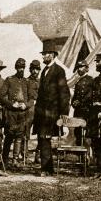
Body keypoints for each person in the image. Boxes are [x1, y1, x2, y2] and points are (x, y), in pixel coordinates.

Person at [33, 44, 70, 176]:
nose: (43, 56)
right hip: (42, 114)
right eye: (42, 54)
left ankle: (46, 169)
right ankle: (47, 168)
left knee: (45, 139)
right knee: (42, 139)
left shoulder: (59, 70)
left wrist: (63, 116)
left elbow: (64, 94)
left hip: (52, 114)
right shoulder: (44, 71)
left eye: (45, 54)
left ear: (52, 55)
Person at [0, 58, 34, 168]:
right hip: (11, 113)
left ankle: (15, 159)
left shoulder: (27, 82)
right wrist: (11, 104)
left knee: (19, 136)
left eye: (23, 67)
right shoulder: (9, 80)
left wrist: (26, 105)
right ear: (16, 68)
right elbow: (2, 97)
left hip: (22, 113)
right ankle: (4, 160)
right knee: (9, 136)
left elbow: (32, 99)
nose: (21, 69)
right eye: (19, 67)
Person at [71, 60, 93, 146]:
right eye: (78, 68)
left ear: (86, 68)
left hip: (86, 110)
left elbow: (91, 95)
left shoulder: (91, 80)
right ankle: (79, 153)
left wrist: (80, 102)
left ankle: (86, 154)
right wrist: (73, 103)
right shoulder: (78, 82)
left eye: (81, 67)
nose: (79, 70)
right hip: (78, 111)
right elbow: (75, 96)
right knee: (78, 132)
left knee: (86, 133)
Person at [26, 60, 41, 163]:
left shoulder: (42, 81)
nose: (35, 71)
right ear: (30, 70)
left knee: (41, 133)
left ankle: (38, 156)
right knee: (26, 132)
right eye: (33, 69)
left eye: (37, 69)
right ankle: (24, 154)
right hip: (30, 110)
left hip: (40, 110)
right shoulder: (26, 81)